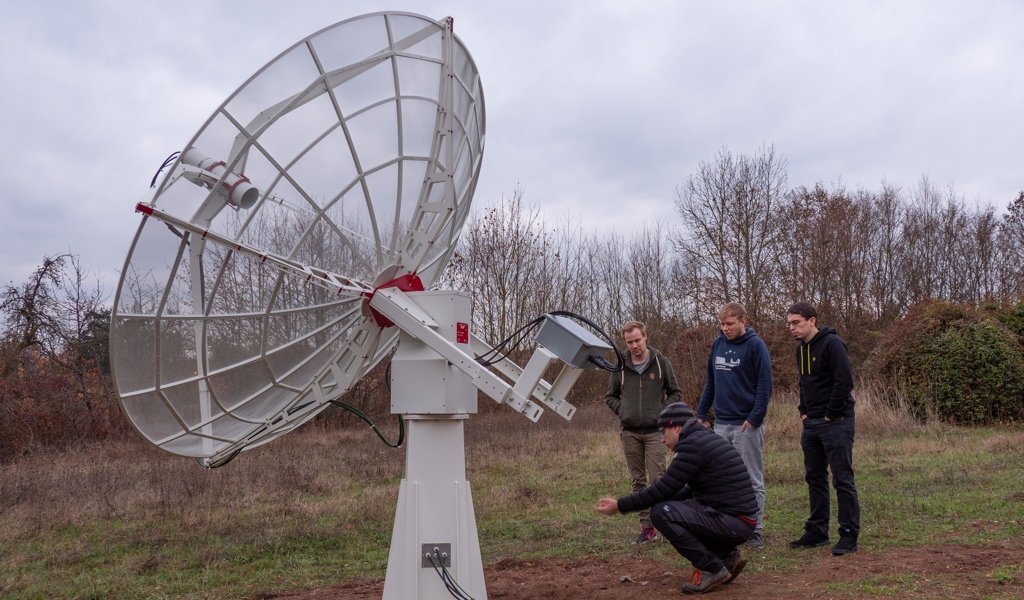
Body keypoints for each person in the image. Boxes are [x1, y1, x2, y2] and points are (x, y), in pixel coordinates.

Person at [596, 402, 757, 595]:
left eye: (663, 431)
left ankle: (712, 569)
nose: (661, 439)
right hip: (739, 521)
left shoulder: (692, 446)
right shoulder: (702, 438)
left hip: (734, 523)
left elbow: (662, 489)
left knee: (662, 514)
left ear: (677, 427)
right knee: (675, 507)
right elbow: (685, 491)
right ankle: (728, 557)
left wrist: (620, 505)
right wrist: (658, 500)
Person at [785, 302, 861, 556]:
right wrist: (803, 411)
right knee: (815, 477)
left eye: (796, 322)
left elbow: (844, 381)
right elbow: (804, 383)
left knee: (842, 479)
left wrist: (829, 413)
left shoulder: (833, 345)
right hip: (811, 424)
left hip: (836, 422)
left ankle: (849, 534)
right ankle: (817, 531)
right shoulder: (800, 350)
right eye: (789, 323)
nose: (792, 328)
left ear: (812, 321)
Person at [695, 302, 772, 549]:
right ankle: (725, 528)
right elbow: (711, 381)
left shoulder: (756, 346)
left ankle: (755, 531)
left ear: (742, 321)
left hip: (745, 425)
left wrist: (755, 418)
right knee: (720, 479)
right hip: (721, 424)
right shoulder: (718, 344)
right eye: (722, 324)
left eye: (730, 324)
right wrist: (702, 413)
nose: (725, 328)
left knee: (751, 480)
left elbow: (764, 385)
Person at [604, 320, 682, 544]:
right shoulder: (619, 366)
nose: (634, 345)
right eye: (629, 342)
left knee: (659, 479)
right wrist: (623, 411)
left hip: (656, 432)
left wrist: (661, 412)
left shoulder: (660, 362)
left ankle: (667, 524)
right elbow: (610, 396)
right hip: (629, 432)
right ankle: (647, 528)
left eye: (637, 340)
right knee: (638, 482)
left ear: (645, 337)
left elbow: (675, 392)